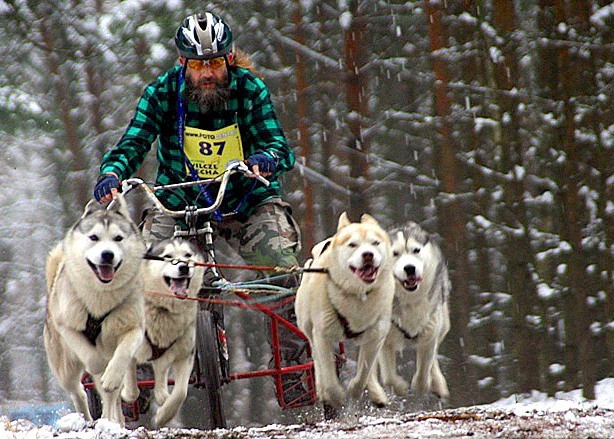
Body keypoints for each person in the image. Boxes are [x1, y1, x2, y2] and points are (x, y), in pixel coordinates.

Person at [93, 11, 306, 404]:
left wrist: (265, 158)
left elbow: (279, 145)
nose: (207, 74)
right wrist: (112, 174)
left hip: (245, 200)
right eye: (197, 65)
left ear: (228, 59)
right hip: (177, 204)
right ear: (182, 64)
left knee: (280, 266)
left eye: (214, 63)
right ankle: (135, 384)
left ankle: (298, 372)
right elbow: (132, 143)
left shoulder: (250, 89)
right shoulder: (160, 93)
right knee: (137, 277)